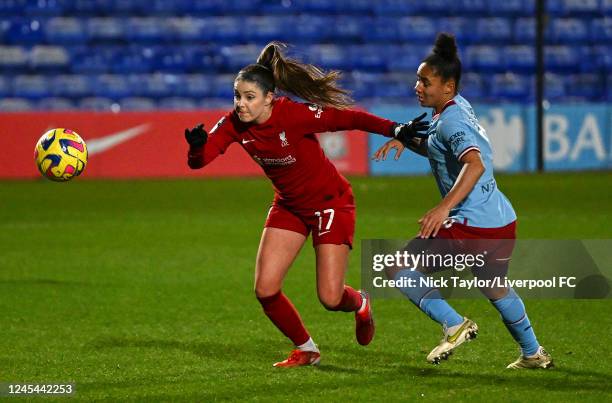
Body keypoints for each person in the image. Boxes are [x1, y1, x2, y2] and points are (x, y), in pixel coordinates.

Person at [184, 42, 429, 367]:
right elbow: (200, 162)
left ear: (269, 97)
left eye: (249, 97)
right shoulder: (232, 124)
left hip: (330, 203)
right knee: (265, 289)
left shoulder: (293, 115)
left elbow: (348, 118)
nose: (240, 104)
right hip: (289, 206)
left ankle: (360, 302)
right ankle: (307, 348)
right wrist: (196, 148)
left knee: (330, 297)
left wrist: (394, 129)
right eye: (237, 96)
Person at [373, 33, 553, 369]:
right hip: (500, 218)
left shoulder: (451, 119)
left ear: (448, 86)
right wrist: (409, 141)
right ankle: (533, 353)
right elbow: (442, 148)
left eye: (425, 81)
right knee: (495, 288)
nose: (418, 86)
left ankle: (454, 324)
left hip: (472, 225)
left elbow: (475, 162)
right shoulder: (458, 108)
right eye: (417, 79)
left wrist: (443, 208)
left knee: (397, 267)